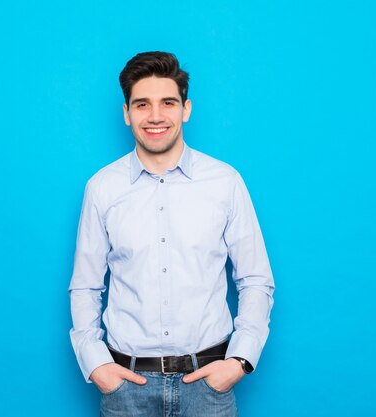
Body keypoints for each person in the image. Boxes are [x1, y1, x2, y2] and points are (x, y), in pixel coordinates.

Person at [68, 51, 274, 416]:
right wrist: (95, 364)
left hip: (208, 387)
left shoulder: (225, 182)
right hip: (126, 390)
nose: (156, 116)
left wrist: (239, 360)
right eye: (142, 104)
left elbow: (255, 279)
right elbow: (86, 285)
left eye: (168, 102)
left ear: (186, 109)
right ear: (126, 113)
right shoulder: (102, 188)